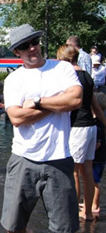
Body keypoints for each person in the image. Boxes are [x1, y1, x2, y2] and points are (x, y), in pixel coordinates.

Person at [0, 24, 82, 233]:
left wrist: (37, 102)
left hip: (59, 159)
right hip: (23, 158)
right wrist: (57, 104)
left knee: (64, 228)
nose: (32, 48)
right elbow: (16, 117)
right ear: (17, 52)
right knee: (13, 226)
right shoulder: (13, 79)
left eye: (34, 42)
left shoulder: (62, 68)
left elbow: (75, 99)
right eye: (25, 46)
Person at [57, 44, 106, 221]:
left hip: (77, 128)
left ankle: (73, 212)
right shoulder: (86, 76)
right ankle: (87, 213)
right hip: (91, 127)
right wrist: (104, 124)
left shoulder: (71, 77)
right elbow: (96, 105)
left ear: (65, 60)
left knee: (74, 172)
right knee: (87, 171)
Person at [92, 91, 106, 214]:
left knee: (95, 182)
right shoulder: (101, 123)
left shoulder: (97, 125)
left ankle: (95, 205)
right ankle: (91, 202)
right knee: (93, 180)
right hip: (100, 158)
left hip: (97, 158)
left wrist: (89, 151)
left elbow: (97, 144)